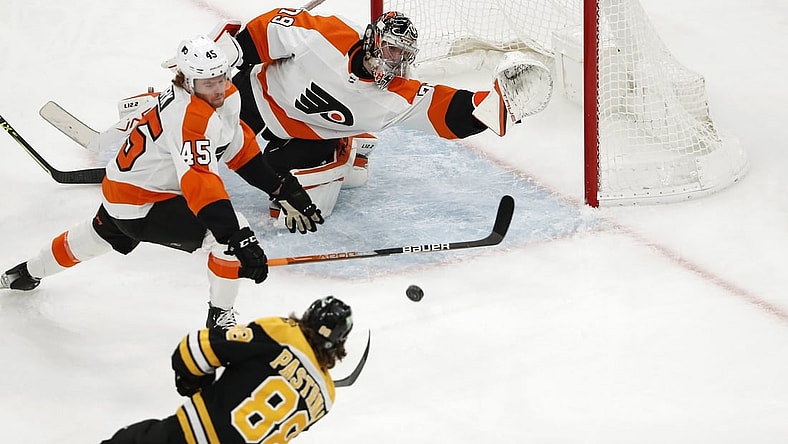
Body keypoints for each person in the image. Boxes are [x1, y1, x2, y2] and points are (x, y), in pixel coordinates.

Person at [0, 36, 324, 329]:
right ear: (187, 80)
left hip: (123, 188)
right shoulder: (189, 116)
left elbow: (236, 145)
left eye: (221, 78)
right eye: (208, 83)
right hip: (142, 203)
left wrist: (282, 188)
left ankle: (24, 273)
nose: (218, 88)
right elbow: (200, 182)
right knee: (229, 233)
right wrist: (237, 239)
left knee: (94, 237)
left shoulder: (222, 95)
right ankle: (220, 319)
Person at [214, 8, 552, 218]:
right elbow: (271, 28)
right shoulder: (328, 36)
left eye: (403, 55)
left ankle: (346, 148)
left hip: (311, 136)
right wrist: (225, 56)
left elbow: (445, 110)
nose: (395, 61)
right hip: (257, 97)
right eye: (391, 50)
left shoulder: (395, 95)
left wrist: (493, 107)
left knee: (287, 204)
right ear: (374, 40)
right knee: (208, 141)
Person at [100, 295, 353, 444]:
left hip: (188, 436)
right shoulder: (326, 396)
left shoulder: (284, 333)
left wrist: (193, 383)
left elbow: (194, 350)